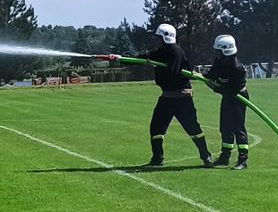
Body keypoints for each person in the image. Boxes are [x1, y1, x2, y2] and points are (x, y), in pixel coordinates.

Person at [107, 23, 213, 167]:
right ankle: (157, 159)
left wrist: (156, 64)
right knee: (156, 128)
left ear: (165, 38)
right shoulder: (160, 52)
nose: (156, 40)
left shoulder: (176, 52)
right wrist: (119, 59)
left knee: (193, 129)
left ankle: (206, 156)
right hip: (167, 97)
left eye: (158, 37)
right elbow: (139, 59)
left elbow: (172, 73)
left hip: (182, 96)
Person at [202, 34, 250, 170]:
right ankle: (225, 157)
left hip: (238, 97)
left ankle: (242, 160)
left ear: (226, 50)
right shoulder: (220, 61)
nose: (216, 54)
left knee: (238, 128)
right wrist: (204, 75)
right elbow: (213, 73)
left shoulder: (237, 68)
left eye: (218, 51)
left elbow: (231, 90)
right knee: (225, 127)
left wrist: (213, 87)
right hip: (228, 97)